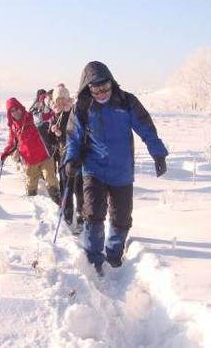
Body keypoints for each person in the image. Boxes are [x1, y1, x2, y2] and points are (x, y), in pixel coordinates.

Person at [64, 61, 168, 274]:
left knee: (121, 217)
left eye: (105, 87)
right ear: (87, 88)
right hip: (94, 168)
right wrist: (71, 159)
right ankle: (94, 261)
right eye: (95, 89)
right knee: (93, 214)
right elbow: (73, 137)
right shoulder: (82, 107)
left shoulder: (126, 102)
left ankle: (113, 256)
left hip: (122, 171)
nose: (101, 93)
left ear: (112, 83)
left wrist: (158, 152)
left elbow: (146, 127)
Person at [0, 97, 60, 203]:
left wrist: (57, 110)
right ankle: (31, 209)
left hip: (44, 156)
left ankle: (58, 203)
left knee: (51, 180)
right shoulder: (13, 127)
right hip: (29, 161)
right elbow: (12, 143)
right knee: (31, 187)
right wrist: (5, 153)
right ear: (10, 113)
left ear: (21, 107)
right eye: (12, 111)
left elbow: (49, 116)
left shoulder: (32, 117)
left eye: (17, 108)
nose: (16, 112)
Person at [50, 84, 84, 229]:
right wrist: (53, 131)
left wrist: (62, 133)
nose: (61, 102)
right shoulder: (55, 115)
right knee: (65, 186)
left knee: (79, 186)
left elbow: (75, 133)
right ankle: (68, 215)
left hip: (76, 154)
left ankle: (81, 214)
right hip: (62, 155)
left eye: (63, 98)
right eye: (58, 99)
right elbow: (51, 139)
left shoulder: (74, 113)